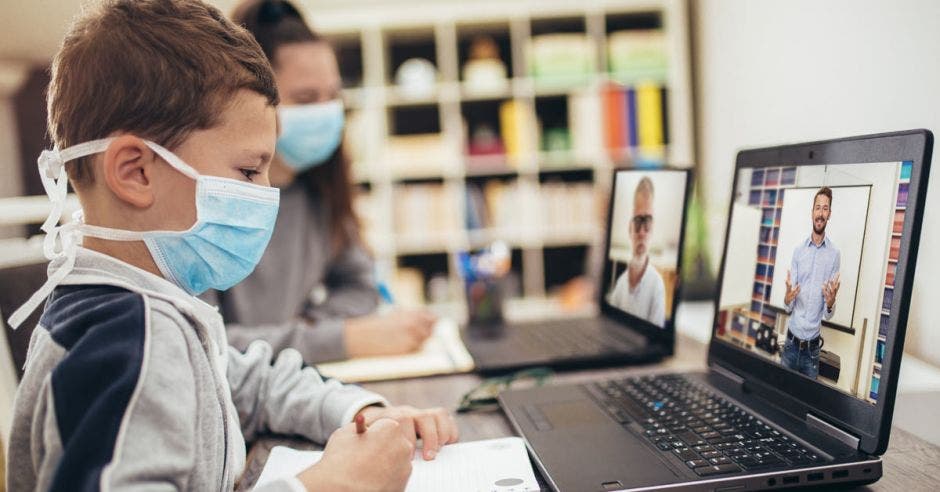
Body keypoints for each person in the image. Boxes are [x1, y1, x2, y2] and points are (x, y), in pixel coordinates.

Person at [5, 1, 456, 491]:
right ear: (135, 172)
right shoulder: (122, 341)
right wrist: (327, 485)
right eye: (247, 171)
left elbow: (249, 382)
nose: (265, 194)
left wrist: (359, 409)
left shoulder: (158, 311)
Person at [199, 0, 435, 364]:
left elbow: (360, 288)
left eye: (333, 97)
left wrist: (309, 332)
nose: (325, 112)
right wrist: (342, 339)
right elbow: (207, 345)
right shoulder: (205, 204)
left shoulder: (321, 191)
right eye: (306, 98)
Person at [782, 186, 841, 379]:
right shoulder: (799, 251)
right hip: (790, 345)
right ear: (812, 212)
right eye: (818, 208)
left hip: (812, 352)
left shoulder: (834, 255)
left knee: (807, 405)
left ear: (830, 214)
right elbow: (788, 306)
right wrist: (787, 297)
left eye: (825, 208)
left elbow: (827, 313)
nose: (821, 213)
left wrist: (831, 303)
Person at [608, 177, 666, 326]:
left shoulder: (657, 286)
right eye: (638, 222)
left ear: (652, 229)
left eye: (647, 223)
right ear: (630, 229)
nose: (642, 232)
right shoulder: (620, 285)